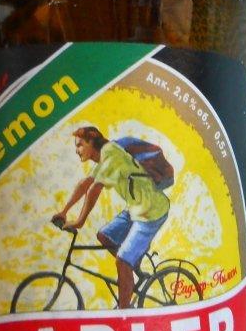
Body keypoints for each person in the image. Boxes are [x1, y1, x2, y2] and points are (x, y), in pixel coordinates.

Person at [53, 125, 170, 307]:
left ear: (92, 141)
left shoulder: (111, 153)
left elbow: (94, 188)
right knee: (104, 235)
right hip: (136, 209)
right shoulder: (105, 157)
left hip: (151, 212)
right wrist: (64, 211)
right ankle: (132, 269)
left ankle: (123, 311)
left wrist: (79, 221)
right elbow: (85, 184)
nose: (77, 150)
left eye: (80, 145)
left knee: (122, 261)